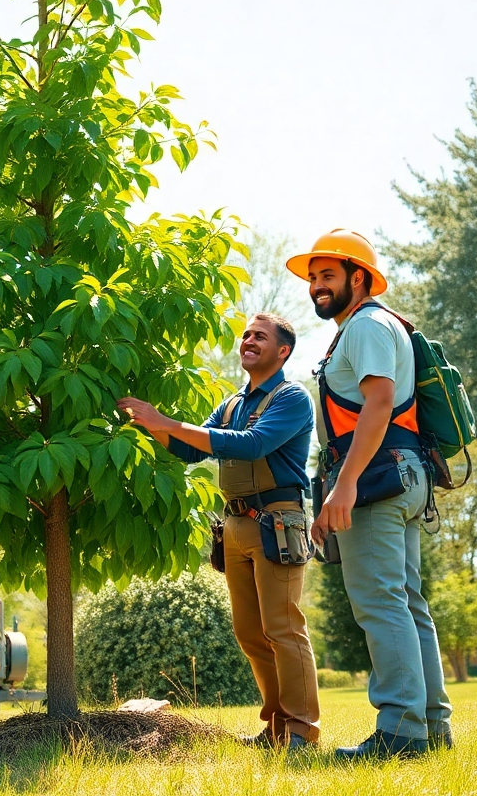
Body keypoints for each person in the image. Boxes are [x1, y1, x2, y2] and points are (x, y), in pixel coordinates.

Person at [118, 313, 320, 749]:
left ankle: (302, 729)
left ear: (283, 351)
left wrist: (167, 422)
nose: (248, 340)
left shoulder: (292, 398)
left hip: (277, 523)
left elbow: (251, 444)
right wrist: (153, 425)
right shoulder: (231, 404)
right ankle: (276, 727)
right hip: (234, 526)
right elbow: (192, 448)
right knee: (250, 632)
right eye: (246, 334)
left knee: (283, 627)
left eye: (260, 337)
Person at [287, 229, 452, 759]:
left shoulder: (366, 325)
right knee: (406, 603)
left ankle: (401, 731)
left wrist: (345, 484)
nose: (316, 285)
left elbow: (378, 403)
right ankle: (430, 726)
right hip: (399, 472)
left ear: (359, 278)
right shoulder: (372, 326)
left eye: (327, 275)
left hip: (380, 476)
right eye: (313, 277)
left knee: (382, 603)